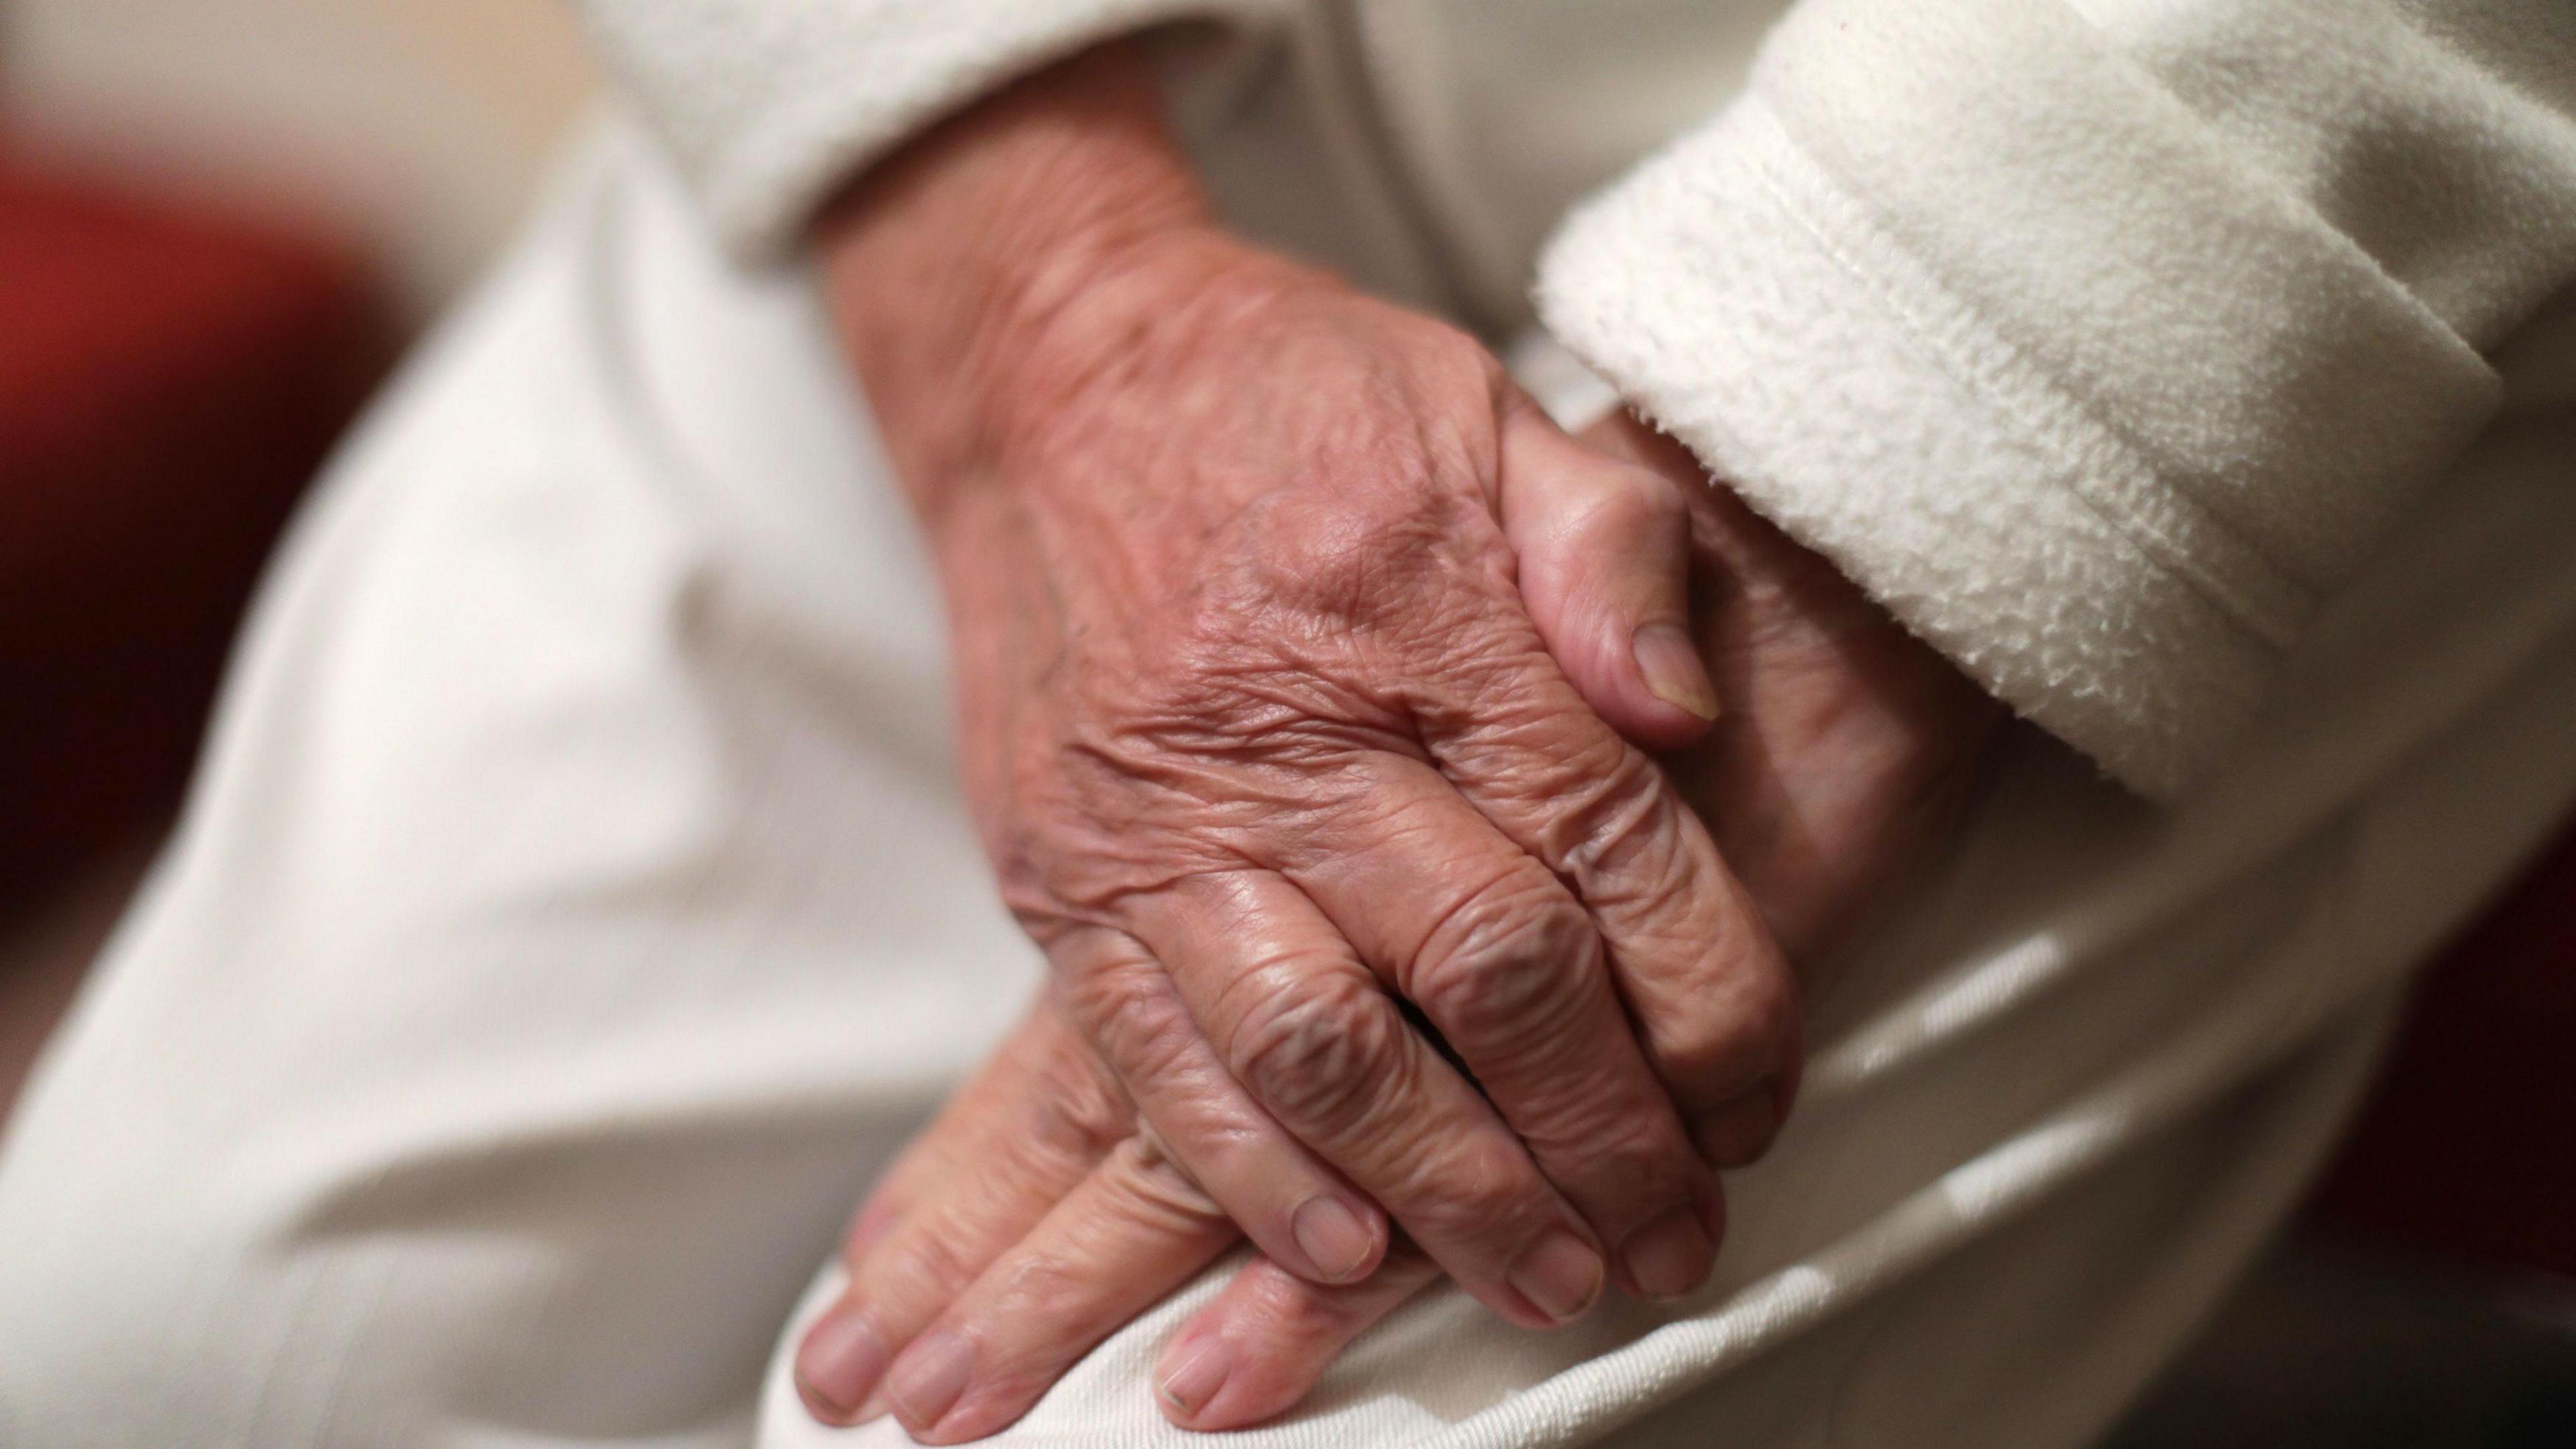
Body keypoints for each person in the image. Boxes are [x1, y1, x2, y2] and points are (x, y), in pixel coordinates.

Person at [3, 2, 2573, 1447]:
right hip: (1020, 94)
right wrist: (1031, 300)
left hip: (2125, 154)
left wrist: (1913, 457)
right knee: (170, 1367)